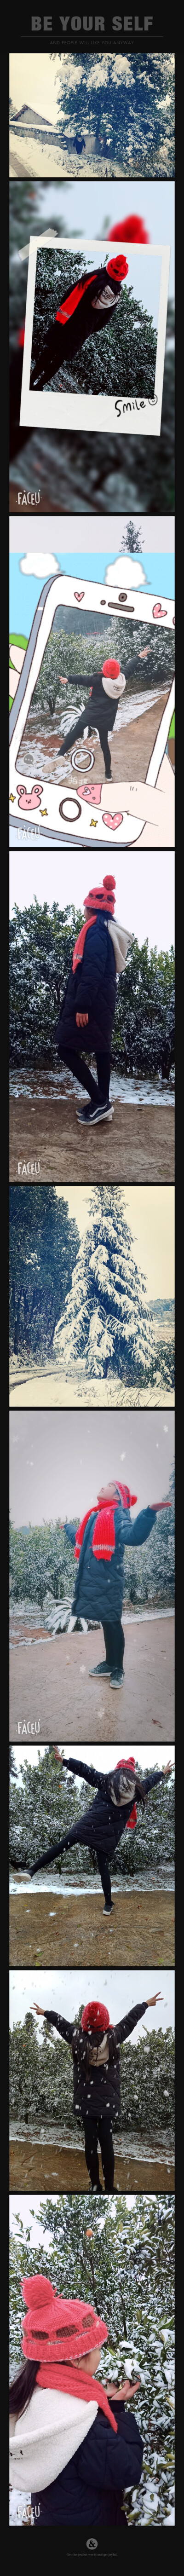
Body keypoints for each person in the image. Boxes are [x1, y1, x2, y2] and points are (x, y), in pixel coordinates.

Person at [9, 2276, 143, 2526]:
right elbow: (128, 2469)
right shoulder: (80, 2422)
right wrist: (119, 2411)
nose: (101, 2355)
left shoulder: (33, 2395)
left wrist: (108, 2403)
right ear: (75, 2360)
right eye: (98, 2348)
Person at [32, 1991, 162, 2196]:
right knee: (107, 2143)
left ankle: (95, 2185)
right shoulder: (114, 2037)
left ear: (85, 2022)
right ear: (105, 2020)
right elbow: (130, 2020)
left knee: (91, 2144)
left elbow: (62, 2024)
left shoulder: (77, 2039)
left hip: (86, 2102)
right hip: (108, 2103)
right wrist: (145, 2004)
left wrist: (46, 2012)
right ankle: (109, 2187)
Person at [29, 1750, 172, 1917]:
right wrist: (162, 1772)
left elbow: (84, 1770)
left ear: (118, 1770)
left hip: (91, 1825)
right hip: (109, 1835)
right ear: (132, 1774)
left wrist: (64, 1761)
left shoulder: (105, 1780)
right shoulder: (138, 1790)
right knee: (103, 1868)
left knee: (63, 1845)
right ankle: (108, 1904)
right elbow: (151, 1781)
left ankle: (32, 1870)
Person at [60, 1479, 172, 1689]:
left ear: (117, 1496)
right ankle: (110, 1664)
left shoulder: (117, 1514)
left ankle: (118, 1669)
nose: (103, 1486)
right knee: (106, 1621)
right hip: (97, 1580)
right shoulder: (95, 1516)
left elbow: (133, 1536)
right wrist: (68, 1527)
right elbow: (80, 1537)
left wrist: (149, 1513)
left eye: (109, 1485)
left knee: (113, 1621)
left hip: (110, 1580)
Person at [56, 869, 133, 1128]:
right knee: (101, 1050)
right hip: (102, 999)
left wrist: (82, 1005)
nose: (84, 911)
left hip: (93, 1000)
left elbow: (92, 970)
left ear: (93, 909)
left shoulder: (97, 932)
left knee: (65, 1048)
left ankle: (101, 1102)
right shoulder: (103, 930)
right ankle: (102, 1104)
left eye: (86, 907)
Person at [30, 252, 129, 391]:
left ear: (109, 267)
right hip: (82, 330)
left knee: (49, 353)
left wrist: (65, 310)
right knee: (59, 359)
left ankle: (30, 382)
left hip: (68, 320)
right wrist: (90, 328)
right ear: (122, 277)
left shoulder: (93, 278)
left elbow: (70, 293)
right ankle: (39, 387)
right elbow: (105, 321)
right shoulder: (115, 297)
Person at [58, 646, 149, 780]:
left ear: (105, 670)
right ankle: (108, 774)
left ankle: (60, 755)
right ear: (117, 672)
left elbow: (83, 679)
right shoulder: (122, 680)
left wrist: (69, 679)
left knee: (75, 733)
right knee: (105, 745)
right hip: (106, 718)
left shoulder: (98, 680)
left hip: (91, 714)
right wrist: (138, 657)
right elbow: (130, 667)